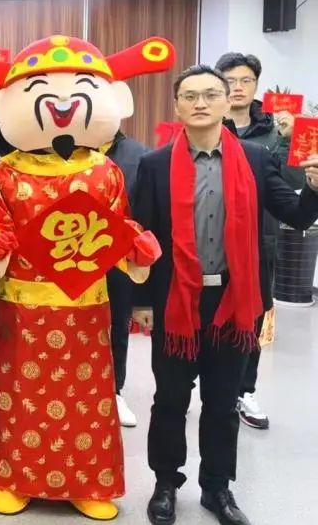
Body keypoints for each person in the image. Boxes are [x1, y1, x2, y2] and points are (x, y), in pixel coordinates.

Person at [0, 34, 169, 520]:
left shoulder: (106, 172)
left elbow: (116, 227)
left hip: (85, 309)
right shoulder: (4, 173)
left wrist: (135, 248)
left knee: (86, 396)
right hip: (22, 307)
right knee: (18, 394)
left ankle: (86, 481)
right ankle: (14, 477)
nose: (63, 103)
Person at [131, 65, 318, 525]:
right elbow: (139, 237)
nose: (200, 103)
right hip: (175, 301)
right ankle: (165, 483)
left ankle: (217, 487)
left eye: (210, 94)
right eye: (190, 95)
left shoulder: (255, 159)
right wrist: (141, 303)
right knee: (170, 400)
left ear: (227, 100)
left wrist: (313, 189)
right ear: (177, 105)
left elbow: (295, 214)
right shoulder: (155, 165)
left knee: (222, 402)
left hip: (233, 303)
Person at [214, 52, 305, 431]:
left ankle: (244, 391)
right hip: (208, 239)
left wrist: (287, 141)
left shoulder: (274, 131)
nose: (237, 87)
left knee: (249, 319)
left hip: (257, 241)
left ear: (256, 86)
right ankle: (197, 386)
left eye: (245, 80)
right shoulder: (206, 124)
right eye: (230, 80)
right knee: (203, 314)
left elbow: (293, 185)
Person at [102, 128, 149, 429]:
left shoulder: (138, 154)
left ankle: (114, 390)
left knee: (118, 322)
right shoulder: (63, 148)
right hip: (72, 252)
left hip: (118, 253)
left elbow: (144, 208)